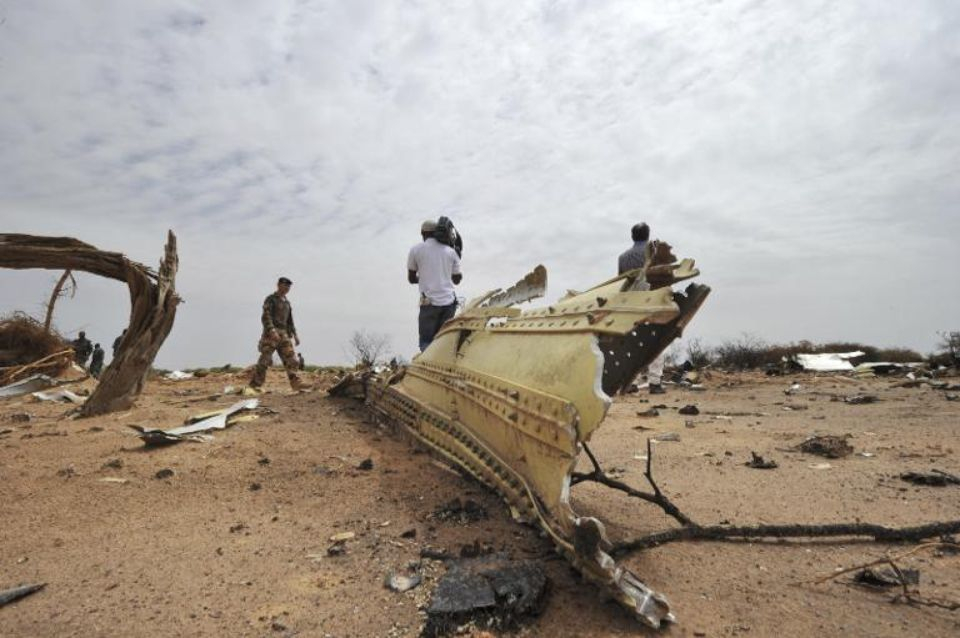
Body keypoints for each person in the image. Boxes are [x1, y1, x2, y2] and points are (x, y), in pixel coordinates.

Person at [618, 222, 665, 395]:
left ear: (632, 236)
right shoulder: (655, 253)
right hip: (652, 301)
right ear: (647, 235)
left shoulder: (623, 258)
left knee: (632, 344)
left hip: (631, 305)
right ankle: (655, 382)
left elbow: (621, 283)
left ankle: (631, 383)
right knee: (657, 342)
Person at [407, 219, 462, 351]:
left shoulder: (415, 250)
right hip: (449, 304)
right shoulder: (451, 251)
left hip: (429, 304)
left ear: (423, 233)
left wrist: (424, 277)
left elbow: (411, 278)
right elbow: (457, 280)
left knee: (426, 342)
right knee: (443, 342)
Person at [249, 277, 305, 390]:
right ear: (278, 285)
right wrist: (271, 330)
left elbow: (290, 321)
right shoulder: (271, 299)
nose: (287, 288)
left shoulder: (287, 303)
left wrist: (295, 334)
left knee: (292, 359)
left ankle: (295, 383)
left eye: (289, 287)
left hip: (284, 333)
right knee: (265, 359)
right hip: (271, 334)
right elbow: (266, 316)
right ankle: (255, 384)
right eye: (285, 285)